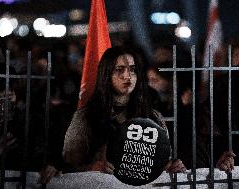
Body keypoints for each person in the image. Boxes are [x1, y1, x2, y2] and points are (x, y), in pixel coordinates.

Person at [62, 46, 186, 174]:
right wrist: (91, 168)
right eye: (119, 70)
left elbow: (163, 161)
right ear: (107, 73)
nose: (127, 76)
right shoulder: (86, 116)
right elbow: (67, 167)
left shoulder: (153, 116)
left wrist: (172, 167)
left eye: (132, 70)